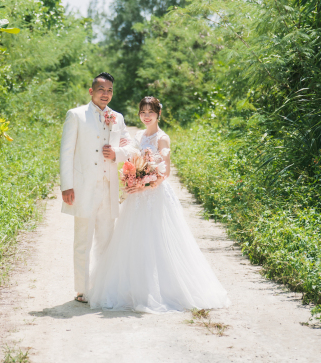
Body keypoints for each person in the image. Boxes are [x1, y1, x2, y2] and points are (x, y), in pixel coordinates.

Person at [87, 96, 230, 313]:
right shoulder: (138, 135)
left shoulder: (162, 138)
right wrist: (131, 176)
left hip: (154, 195)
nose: (146, 116)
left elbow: (166, 172)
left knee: (157, 240)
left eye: (150, 112)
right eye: (142, 112)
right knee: (133, 240)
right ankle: (132, 288)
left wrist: (144, 186)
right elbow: (132, 158)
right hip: (137, 196)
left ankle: (161, 290)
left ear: (158, 114)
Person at [59, 72, 138, 304]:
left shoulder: (118, 117)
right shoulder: (76, 115)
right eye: (102, 90)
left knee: (106, 239)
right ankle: (82, 290)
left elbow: (130, 146)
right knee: (82, 239)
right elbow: (66, 152)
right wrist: (67, 186)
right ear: (91, 91)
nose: (106, 94)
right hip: (83, 187)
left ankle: (103, 287)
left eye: (110, 90)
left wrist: (118, 153)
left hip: (108, 187)